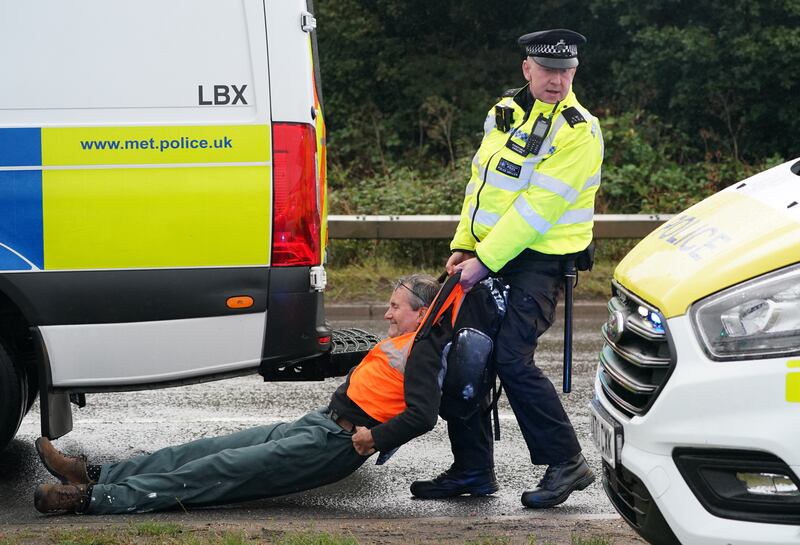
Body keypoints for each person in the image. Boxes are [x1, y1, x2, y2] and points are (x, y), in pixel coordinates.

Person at [33, 274, 442, 515]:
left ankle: (90, 499)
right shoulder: (409, 338)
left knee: (218, 472)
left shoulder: (423, 349)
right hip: (321, 423)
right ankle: (96, 475)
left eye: (395, 307)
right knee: (203, 450)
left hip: (337, 444)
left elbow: (424, 415)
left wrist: (375, 438)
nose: (387, 313)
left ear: (422, 313)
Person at [410, 28, 604, 509]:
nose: (556, 80)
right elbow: (482, 188)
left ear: (574, 73)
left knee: (511, 358)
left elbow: (537, 210)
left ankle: (567, 462)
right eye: (548, 70)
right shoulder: (505, 113)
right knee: (465, 355)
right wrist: (463, 245)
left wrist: (485, 261)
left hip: (539, 260)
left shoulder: (579, 131)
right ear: (527, 69)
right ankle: (472, 470)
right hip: (486, 253)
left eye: (566, 71)